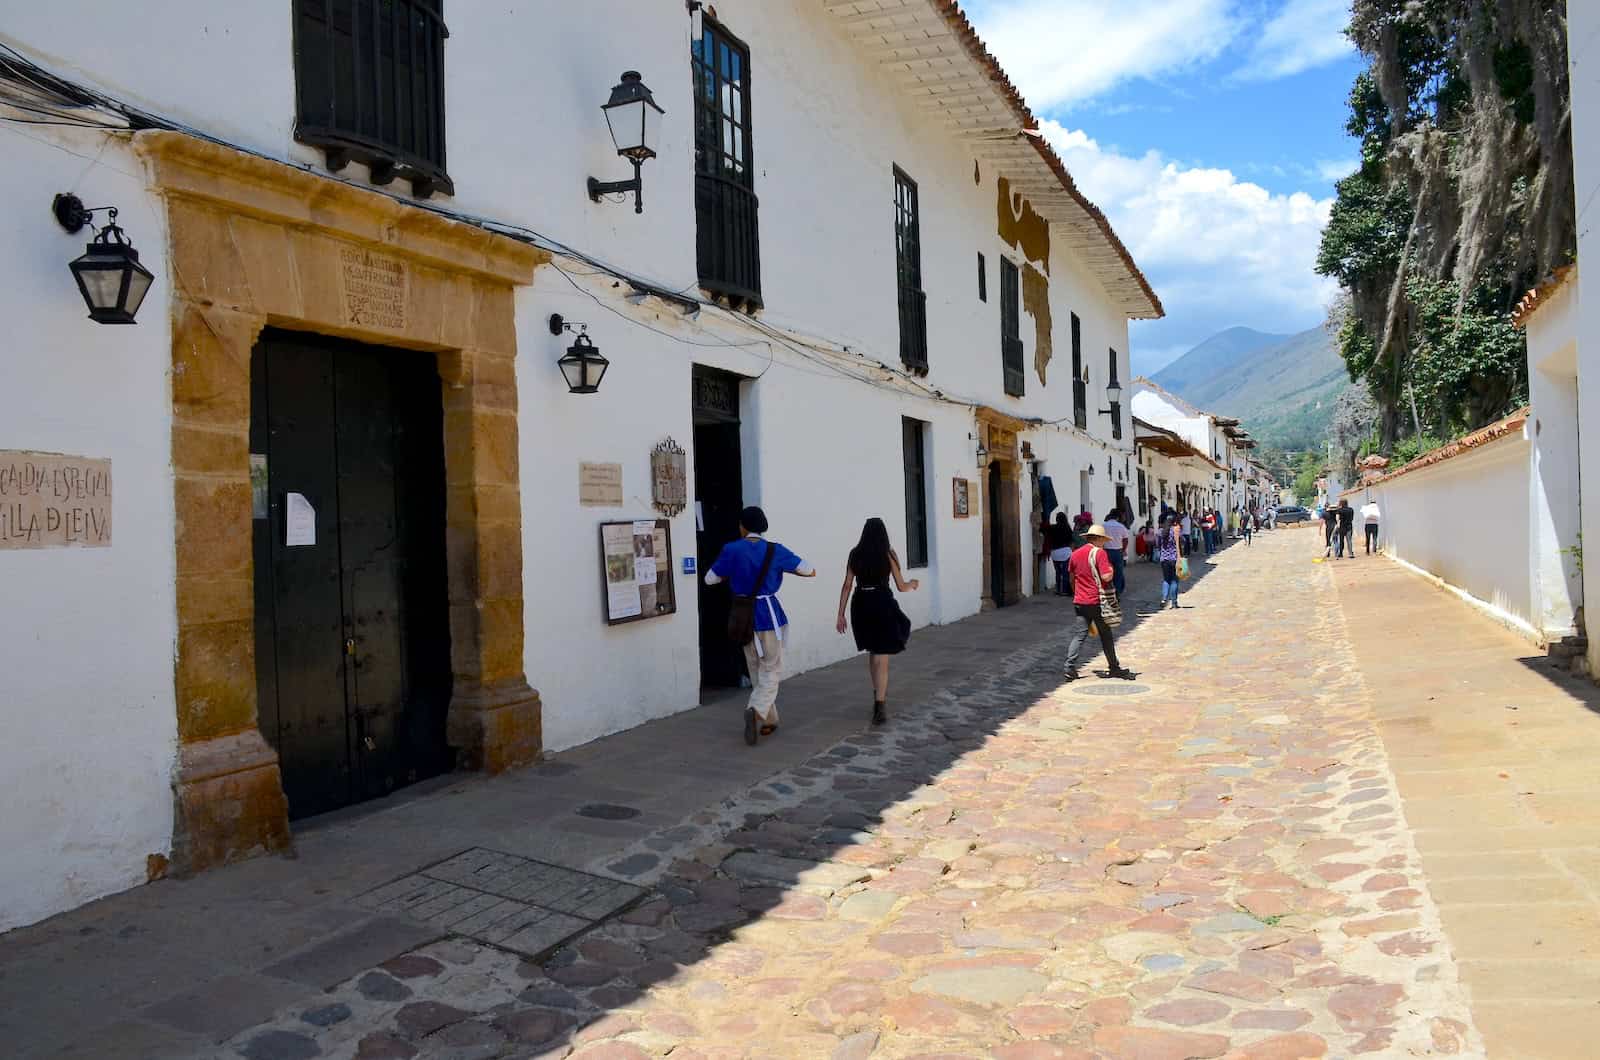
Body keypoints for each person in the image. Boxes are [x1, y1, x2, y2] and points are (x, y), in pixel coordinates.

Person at [705, 506, 817, 746]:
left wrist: (732, 575)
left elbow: (710, 579)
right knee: (772, 668)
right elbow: (809, 570)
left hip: (743, 616)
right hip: (768, 615)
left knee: (756, 668)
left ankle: (769, 720)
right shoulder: (775, 550)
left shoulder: (732, 549)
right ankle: (756, 710)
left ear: (743, 526)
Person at [836, 518, 919, 726]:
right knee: (882, 656)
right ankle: (880, 705)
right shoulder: (888, 554)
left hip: (861, 604)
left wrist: (841, 614)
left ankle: (877, 693)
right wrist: (913, 584)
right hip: (882, 602)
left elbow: (847, 584)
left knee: (874, 652)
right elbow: (901, 586)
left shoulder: (855, 554)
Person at [1063, 524, 1133, 681]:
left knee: (1079, 635)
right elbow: (1106, 577)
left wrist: (1077, 594)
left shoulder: (1075, 554)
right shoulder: (1099, 553)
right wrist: (1113, 569)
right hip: (1097, 601)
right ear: (1099, 539)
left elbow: (1072, 579)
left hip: (1080, 601)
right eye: (1104, 540)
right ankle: (1114, 667)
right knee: (1106, 635)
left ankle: (1069, 667)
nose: (1105, 543)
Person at [1101, 506, 1130, 595]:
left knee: (1106, 572)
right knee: (1118, 573)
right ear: (1117, 517)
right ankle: (1117, 592)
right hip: (1118, 552)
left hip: (1106, 551)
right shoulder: (1121, 526)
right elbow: (1125, 539)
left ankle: (1107, 591)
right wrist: (1123, 549)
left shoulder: (1103, 525)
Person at [1158, 513, 1183, 609]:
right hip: (1174, 559)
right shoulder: (1176, 530)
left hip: (1164, 559)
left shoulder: (1162, 531)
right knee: (1174, 580)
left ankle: (1164, 598)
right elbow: (1181, 542)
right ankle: (1174, 602)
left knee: (1166, 580)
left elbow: (1158, 544)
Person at [1048, 512, 1076, 595]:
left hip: (1055, 552)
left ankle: (1058, 589)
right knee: (1065, 573)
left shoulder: (1052, 528)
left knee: (1058, 572)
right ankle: (1064, 590)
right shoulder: (1067, 528)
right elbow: (1071, 539)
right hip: (1065, 552)